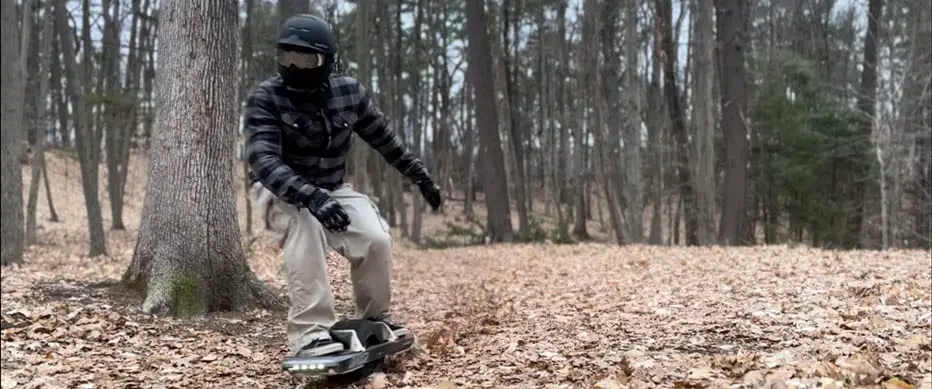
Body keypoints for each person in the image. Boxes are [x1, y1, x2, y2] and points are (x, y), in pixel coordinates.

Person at [243, 14, 443, 358]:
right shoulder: (266, 97)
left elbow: (386, 140)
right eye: (286, 57)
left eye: (306, 59)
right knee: (304, 227)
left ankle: (376, 319)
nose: (295, 67)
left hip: (332, 188)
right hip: (279, 191)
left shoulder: (349, 93)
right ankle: (311, 334)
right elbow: (264, 160)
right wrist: (310, 196)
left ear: (327, 60)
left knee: (375, 238)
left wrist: (420, 177)